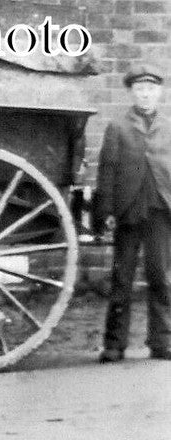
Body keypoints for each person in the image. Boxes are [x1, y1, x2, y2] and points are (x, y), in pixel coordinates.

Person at [93, 62, 171, 362]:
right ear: (132, 93)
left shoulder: (168, 126)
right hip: (129, 212)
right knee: (122, 278)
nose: (146, 95)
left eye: (151, 89)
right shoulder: (118, 127)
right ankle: (114, 344)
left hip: (160, 211)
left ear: (159, 93)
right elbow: (107, 171)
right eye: (140, 90)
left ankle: (161, 342)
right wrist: (106, 210)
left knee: (160, 278)